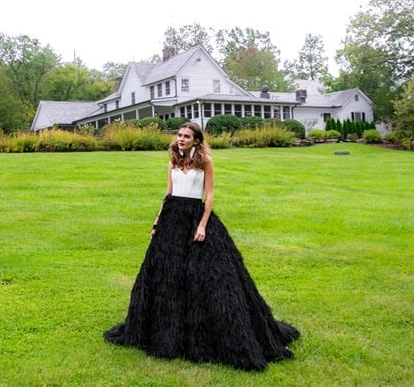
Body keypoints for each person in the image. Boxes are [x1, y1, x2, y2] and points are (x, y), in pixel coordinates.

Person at [104, 122, 299, 371]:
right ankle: (167, 331)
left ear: (197, 140)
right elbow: (168, 194)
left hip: (196, 217)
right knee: (166, 275)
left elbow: (209, 195)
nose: (181, 139)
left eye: (187, 136)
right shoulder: (173, 161)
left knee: (207, 275)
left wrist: (202, 225)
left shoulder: (205, 161)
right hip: (172, 220)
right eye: (179, 135)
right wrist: (157, 221)